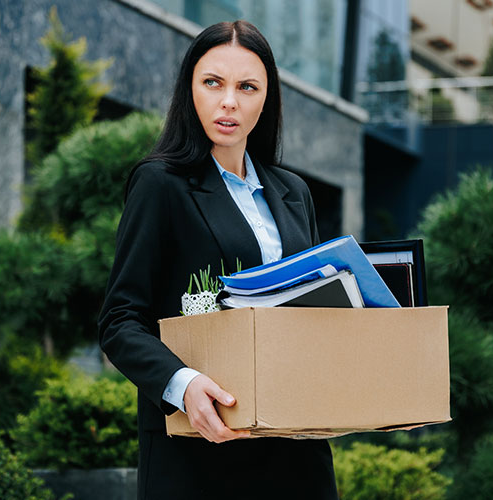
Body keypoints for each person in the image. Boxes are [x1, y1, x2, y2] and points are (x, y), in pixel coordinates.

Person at [98, 20, 339, 500]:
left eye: (247, 87)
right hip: (201, 453)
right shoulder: (160, 184)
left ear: (266, 100)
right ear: (190, 89)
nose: (229, 101)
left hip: (296, 457)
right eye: (213, 83)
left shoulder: (294, 193)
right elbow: (121, 320)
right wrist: (181, 385)